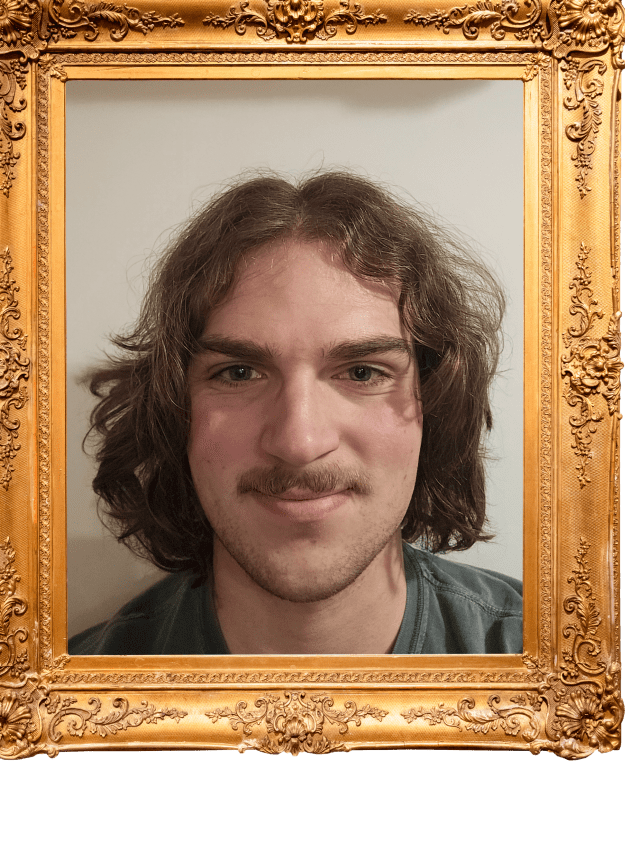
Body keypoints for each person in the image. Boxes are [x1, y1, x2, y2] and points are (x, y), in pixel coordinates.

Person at [69, 171, 522, 656]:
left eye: (363, 373)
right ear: (174, 412)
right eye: (239, 373)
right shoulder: (69, 695)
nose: (299, 442)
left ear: (436, 403)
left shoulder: (556, 664)